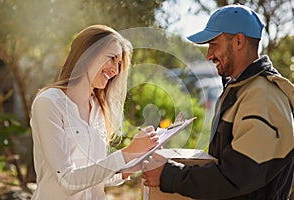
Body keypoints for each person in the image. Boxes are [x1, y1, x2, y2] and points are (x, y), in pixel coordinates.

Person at [142, 4, 294, 199]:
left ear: (239, 41)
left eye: (214, 44)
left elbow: (236, 177)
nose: (209, 55)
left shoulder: (262, 97)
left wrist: (169, 176)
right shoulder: (242, 90)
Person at [30, 25, 159, 200]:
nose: (116, 70)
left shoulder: (98, 109)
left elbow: (93, 175)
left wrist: (128, 166)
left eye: (119, 63)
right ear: (86, 54)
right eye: (112, 59)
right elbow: (68, 181)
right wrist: (125, 153)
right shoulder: (49, 103)